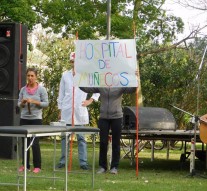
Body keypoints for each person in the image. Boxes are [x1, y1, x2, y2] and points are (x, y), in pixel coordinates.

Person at [80, 85, 137, 174]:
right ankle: (102, 166)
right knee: (103, 142)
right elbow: (87, 88)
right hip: (103, 117)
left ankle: (114, 167)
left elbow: (132, 90)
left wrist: (136, 80)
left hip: (117, 117)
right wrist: (78, 79)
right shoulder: (102, 85)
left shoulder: (120, 85)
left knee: (116, 142)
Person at [56, 52, 99, 170]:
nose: (74, 64)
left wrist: (90, 100)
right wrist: (60, 109)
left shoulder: (86, 75)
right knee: (64, 138)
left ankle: (83, 163)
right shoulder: (65, 75)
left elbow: (98, 89)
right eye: (73, 62)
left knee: (81, 138)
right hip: (67, 110)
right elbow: (61, 94)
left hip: (80, 110)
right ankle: (63, 161)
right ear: (70, 62)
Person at [18, 67, 49, 173]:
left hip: (36, 119)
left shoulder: (41, 89)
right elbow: (19, 105)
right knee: (24, 143)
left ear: (36, 77)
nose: (30, 78)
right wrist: (23, 102)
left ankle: (37, 166)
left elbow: (46, 104)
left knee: (35, 143)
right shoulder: (23, 89)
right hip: (24, 119)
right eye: (28, 76)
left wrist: (34, 101)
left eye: (32, 76)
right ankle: (25, 165)